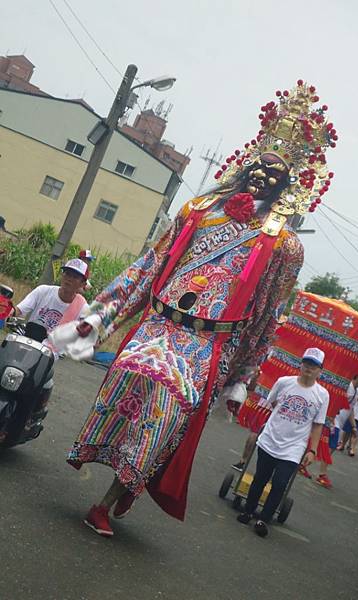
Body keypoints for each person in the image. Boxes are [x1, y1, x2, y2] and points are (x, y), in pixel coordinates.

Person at [51, 80, 338, 537]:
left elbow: (264, 317)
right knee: (127, 379)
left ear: (290, 184)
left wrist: (241, 377)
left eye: (275, 173)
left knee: (165, 407)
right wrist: (98, 318)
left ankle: (113, 495)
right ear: (247, 164)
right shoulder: (200, 209)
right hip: (159, 323)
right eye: (259, 166)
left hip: (205, 343)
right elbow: (150, 266)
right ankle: (110, 467)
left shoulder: (282, 245)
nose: (263, 177)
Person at [236, 348, 329, 537]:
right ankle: (248, 510)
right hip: (270, 438)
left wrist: (312, 451)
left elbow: (318, 425)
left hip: (294, 447)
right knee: (260, 478)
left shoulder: (322, 395)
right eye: (306, 363)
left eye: (314, 366)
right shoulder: (284, 382)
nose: (309, 368)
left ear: (320, 370)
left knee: (279, 484)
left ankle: (263, 519)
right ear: (301, 364)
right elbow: (272, 403)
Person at [14, 259, 88, 438]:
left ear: (83, 284)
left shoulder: (82, 308)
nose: (68, 279)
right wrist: (7, 311)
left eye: (75, 277)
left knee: (33, 385)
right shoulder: (44, 291)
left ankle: (23, 422)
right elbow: (19, 310)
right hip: (27, 340)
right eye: (67, 273)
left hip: (49, 353)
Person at [336, 368, 358, 452]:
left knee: (333, 447)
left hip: (340, 424)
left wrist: (354, 427)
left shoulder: (356, 391)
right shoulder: (347, 387)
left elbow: (350, 409)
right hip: (334, 422)